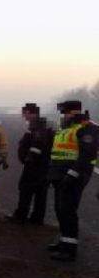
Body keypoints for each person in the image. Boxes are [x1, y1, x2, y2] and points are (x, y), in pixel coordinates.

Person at [47, 100, 98, 261]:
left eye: (65, 112)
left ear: (74, 112)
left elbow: (87, 155)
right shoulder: (67, 128)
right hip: (60, 174)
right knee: (60, 209)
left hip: (73, 175)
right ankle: (64, 241)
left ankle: (69, 250)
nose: (63, 115)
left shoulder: (86, 128)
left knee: (68, 211)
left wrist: (72, 174)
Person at [5, 104, 54, 224]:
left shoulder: (38, 127)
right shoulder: (42, 125)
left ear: (31, 113)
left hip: (36, 166)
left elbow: (38, 145)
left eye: (25, 113)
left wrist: (29, 159)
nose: (24, 116)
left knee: (26, 188)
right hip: (44, 165)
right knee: (40, 192)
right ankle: (37, 218)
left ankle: (21, 215)